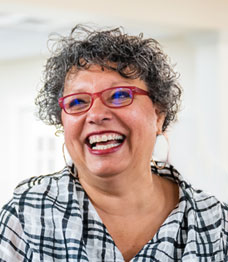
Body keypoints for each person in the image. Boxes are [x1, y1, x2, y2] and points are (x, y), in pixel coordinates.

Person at [0, 24, 227, 262]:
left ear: (158, 115)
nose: (96, 114)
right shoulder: (25, 219)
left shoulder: (216, 224)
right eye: (78, 101)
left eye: (120, 95)